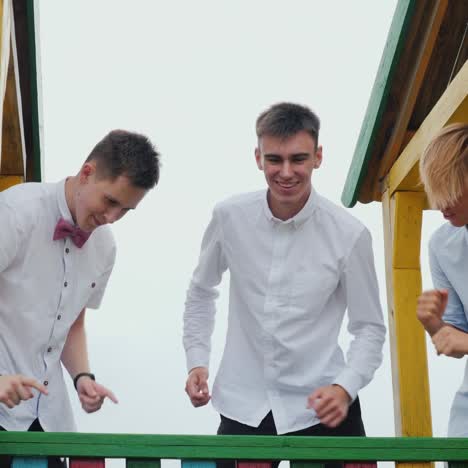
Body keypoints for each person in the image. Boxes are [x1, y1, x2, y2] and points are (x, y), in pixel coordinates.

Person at [183, 102, 386, 467]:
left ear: (318, 157)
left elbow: (369, 328)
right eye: (275, 159)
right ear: (258, 157)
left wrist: (345, 386)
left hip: (326, 408)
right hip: (244, 404)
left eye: (299, 159)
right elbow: (201, 289)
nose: (286, 172)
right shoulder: (228, 217)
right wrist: (197, 360)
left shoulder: (350, 234)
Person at [0, 129, 160, 466]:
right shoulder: (15, 211)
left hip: (50, 422)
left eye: (126, 210)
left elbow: (72, 323)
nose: (112, 218)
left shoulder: (105, 247)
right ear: (87, 172)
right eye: (111, 201)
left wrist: (83, 377)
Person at [417, 122, 468, 437]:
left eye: (450, 188)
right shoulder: (442, 244)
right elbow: (457, 343)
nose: (439, 205)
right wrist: (435, 325)